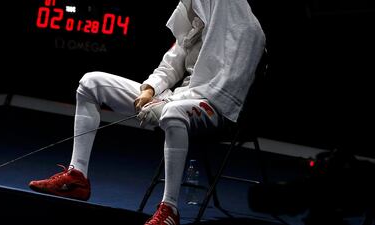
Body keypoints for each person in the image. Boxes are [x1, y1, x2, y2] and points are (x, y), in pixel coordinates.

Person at [28, 0, 266, 224]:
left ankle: (169, 209)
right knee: (90, 83)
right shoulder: (202, 21)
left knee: (173, 113)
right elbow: (172, 62)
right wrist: (150, 90)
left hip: (216, 111)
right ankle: (76, 176)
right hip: (179, 100)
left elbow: (224, 91)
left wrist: (169, 102)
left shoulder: (248, 33)